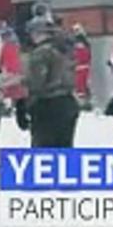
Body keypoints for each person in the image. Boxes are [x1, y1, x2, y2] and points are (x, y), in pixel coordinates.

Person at [16, 18, 79, 147]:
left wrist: (22, 104)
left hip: (48, 106)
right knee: (64, 152)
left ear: (38, 33)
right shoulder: (65, 49)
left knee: (43, 153)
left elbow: (37, 83)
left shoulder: (41, 53)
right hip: (68, 102)